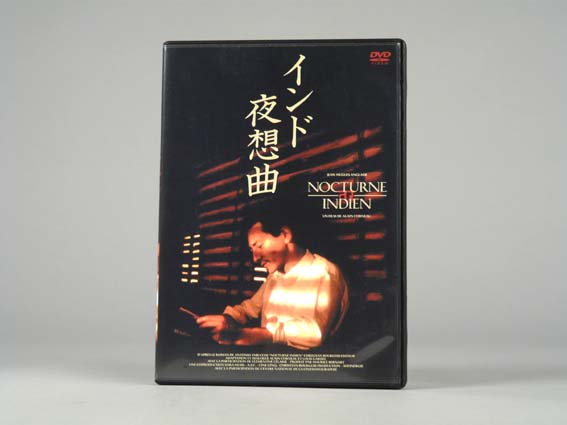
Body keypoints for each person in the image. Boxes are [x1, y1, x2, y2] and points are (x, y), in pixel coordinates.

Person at [196, 207, 349, 350]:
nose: (255, 258)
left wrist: (249, 336)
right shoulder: (274, 276)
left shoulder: (324, 273)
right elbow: (250, 308)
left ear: (285, 235)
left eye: (259, 246)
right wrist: (228, 319)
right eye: (252, 250)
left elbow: (314, 332)